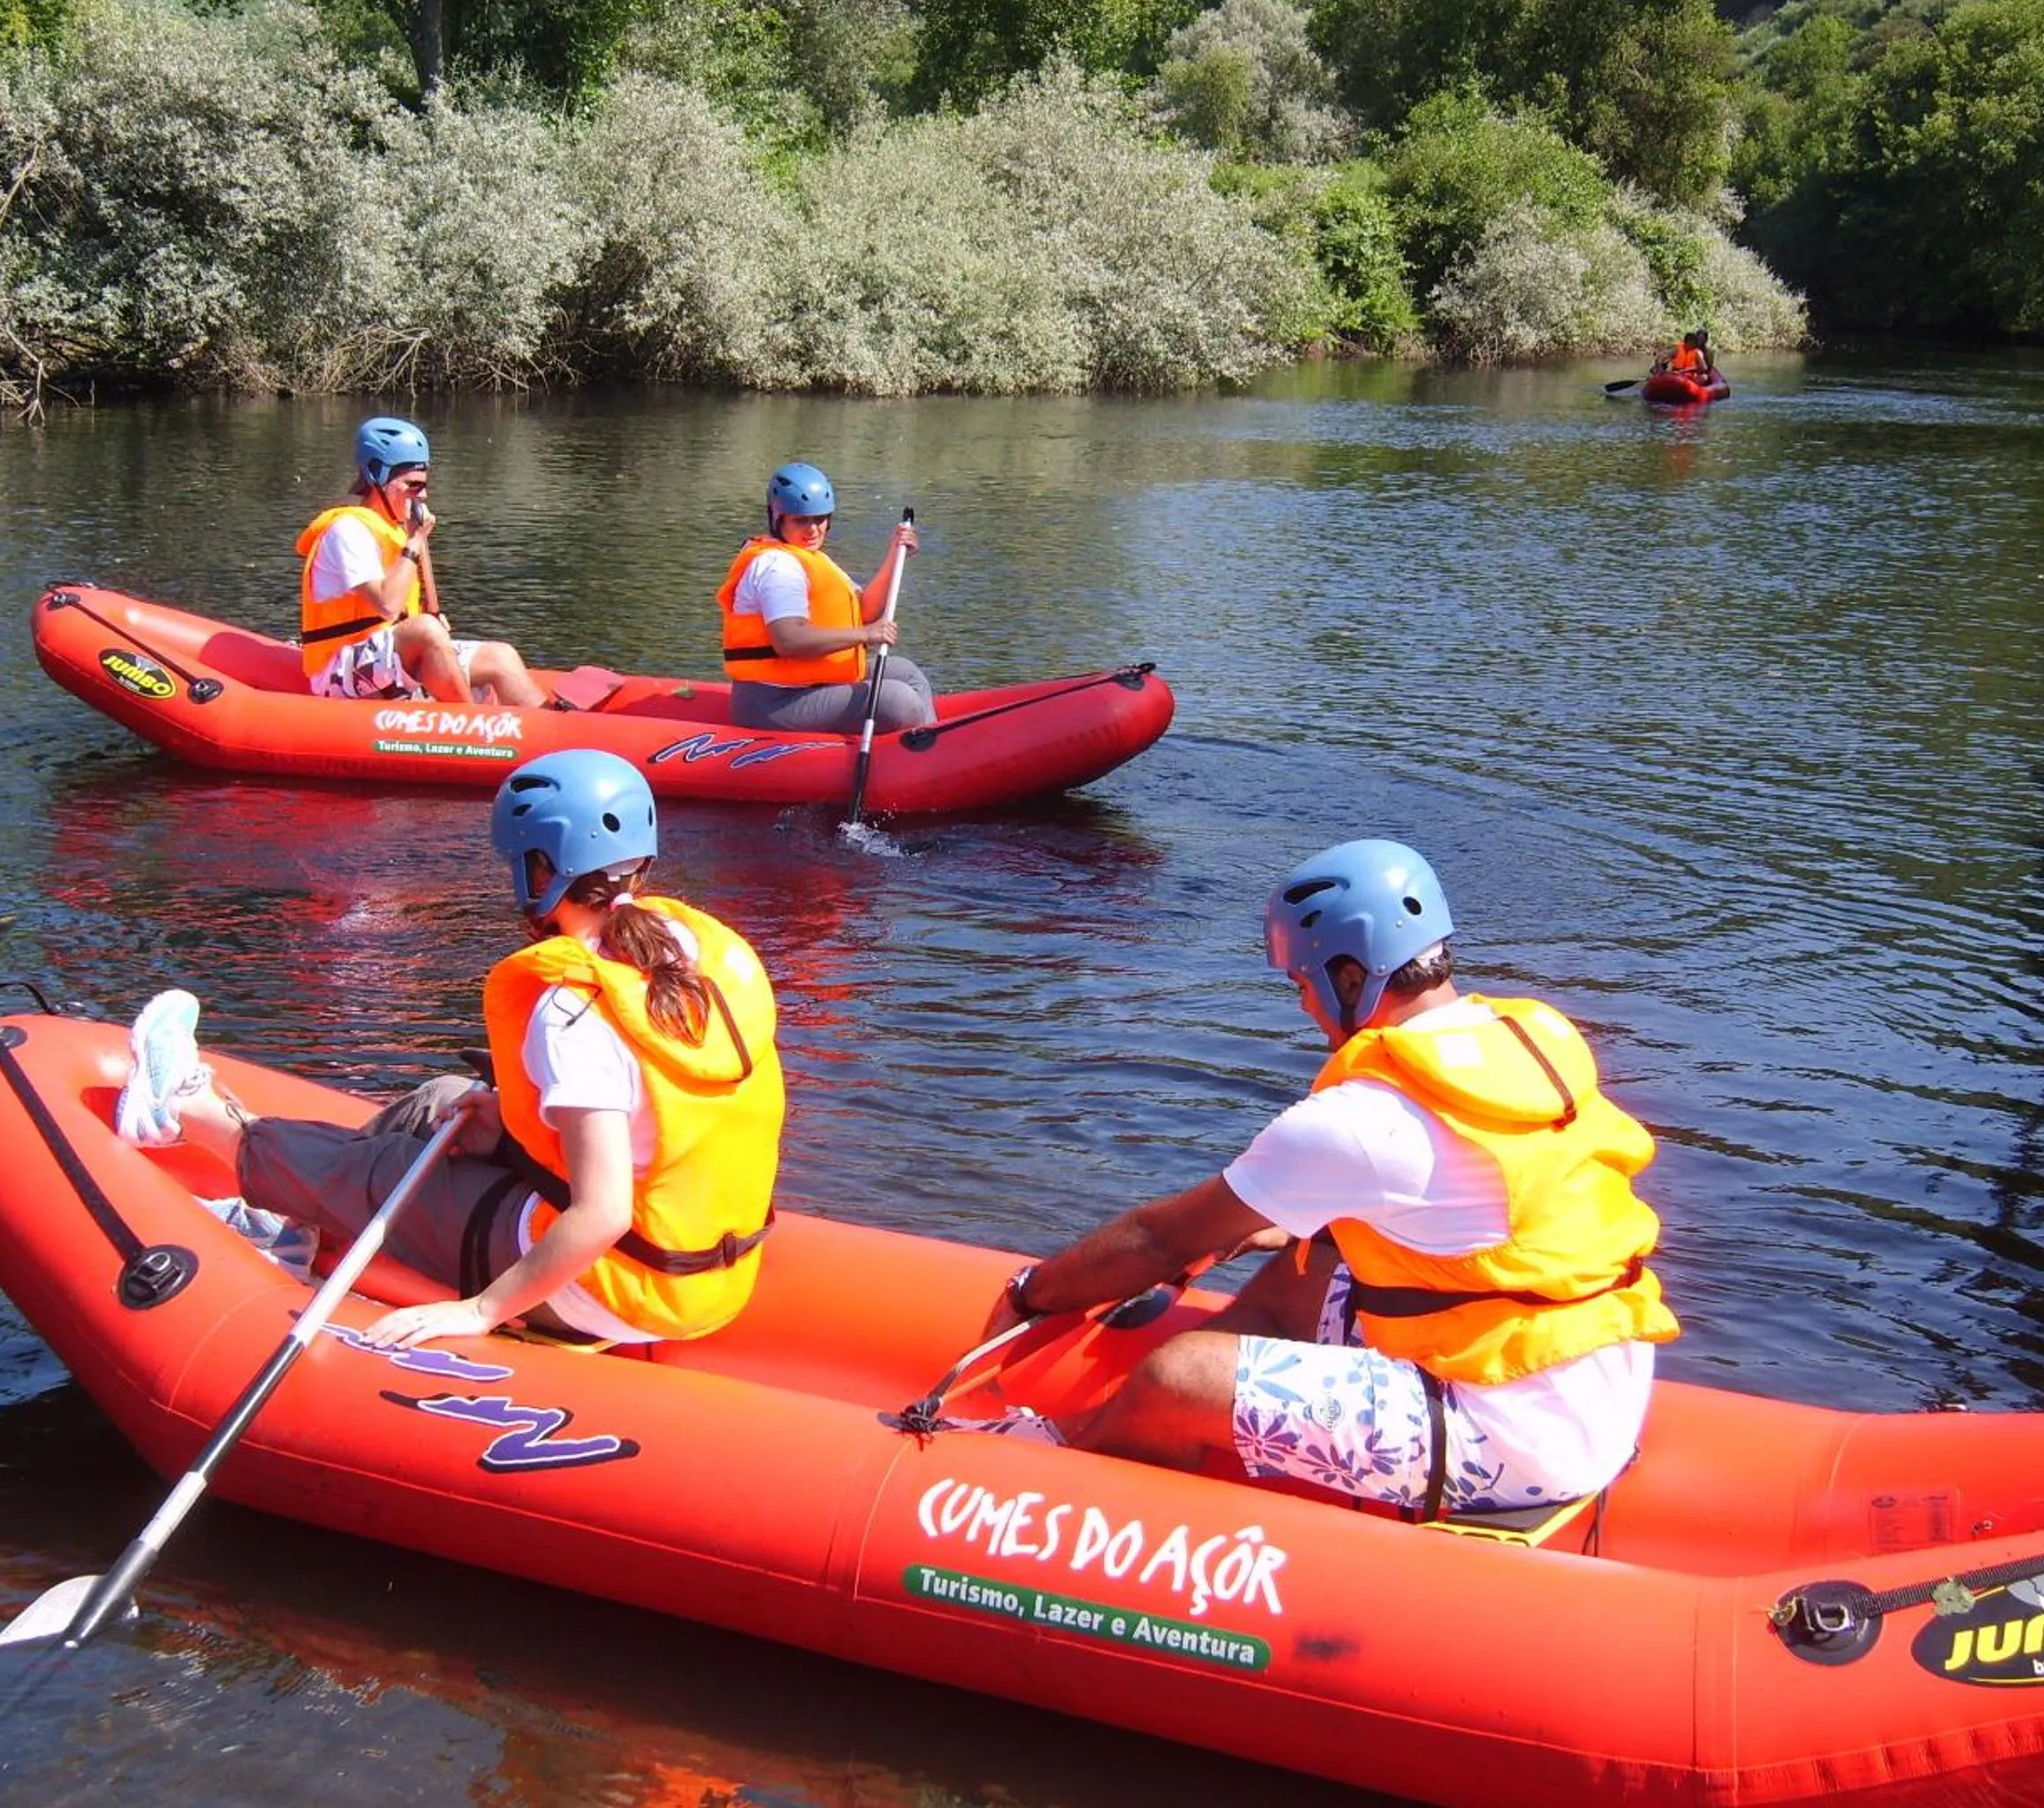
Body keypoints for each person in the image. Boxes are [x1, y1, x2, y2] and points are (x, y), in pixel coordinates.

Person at [982, 839, 1679, 1518]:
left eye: (1301, 982)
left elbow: (1159, 1241)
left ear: (1350, 977)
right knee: (1307, 1263)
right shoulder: (1519, 1040)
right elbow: (1471, 1205)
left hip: (1515, 1439)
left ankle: (1062, 1487)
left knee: (1178, 1374)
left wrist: (1032, 1293)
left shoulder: (1361, 1119)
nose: (1302, 1006)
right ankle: (1197, 1430)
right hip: (1592, 1380)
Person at [112, 749, 786, 1348]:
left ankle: (186, 1112)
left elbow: (603, 1213)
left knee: (395, 1168)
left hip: (614, 1289)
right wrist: (508, 1121)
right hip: (705, 1275)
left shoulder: (573, 1010)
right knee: (445, 1101)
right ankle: (288, 1211)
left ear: (541, 868)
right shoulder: (700, 950)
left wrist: (483, 1311)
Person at [298, 415, 553, 708]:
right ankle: (473, 727)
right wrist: (416, 542)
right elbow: (387, 604)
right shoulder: (348, 531)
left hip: (392, 657)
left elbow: (418, 615)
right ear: (375, 478)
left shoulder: (399, 528)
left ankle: (557, 735)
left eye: (424, 485)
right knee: (425, 630)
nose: (423, 495)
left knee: (501, 656)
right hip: (338, 670)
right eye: (413, 485)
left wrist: (434, 623)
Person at [716, 461, 931, 733]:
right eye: (801, 520)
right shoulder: (776, 566)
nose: (813, 529)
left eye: (819, 519)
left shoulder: (813, 559)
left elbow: (864, 612)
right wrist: (866, 635)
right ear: (777, 518)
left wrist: (895, 555)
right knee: (899, 702)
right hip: (775, 701)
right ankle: (920, 758)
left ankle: (929, 754)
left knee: (907, 674)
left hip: (812, 682)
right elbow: (789, 640)